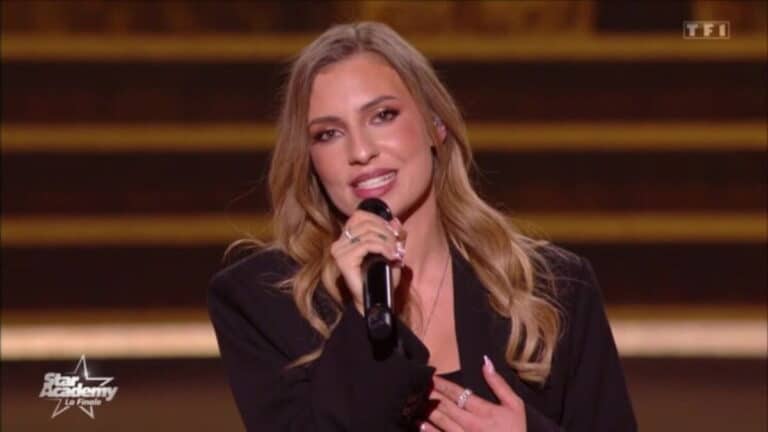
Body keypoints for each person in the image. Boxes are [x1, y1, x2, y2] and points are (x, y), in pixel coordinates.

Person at [208, 21, 636, 432]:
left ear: (436, 125)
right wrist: (366, 317)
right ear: (309, 160)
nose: (361, 152)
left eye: (383, 115)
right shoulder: (261, 302)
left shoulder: (554, 288)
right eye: (328, 134)